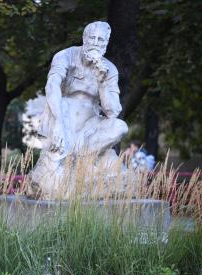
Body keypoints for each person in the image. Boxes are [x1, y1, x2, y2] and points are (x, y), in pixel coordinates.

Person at [30, 21, 128, 197]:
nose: (96, 43)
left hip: (89, 128)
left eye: (101, 40)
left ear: (106, 43)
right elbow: (52, 87)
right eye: (93, 38)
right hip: (62, 117)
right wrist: (58, 123)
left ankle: (77, 160)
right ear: (84, 38)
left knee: (120, 126)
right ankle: (69, 163)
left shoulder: (109, 69)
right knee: (57, 187)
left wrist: (102, 82)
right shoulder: (65, 56)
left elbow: (112, 112)